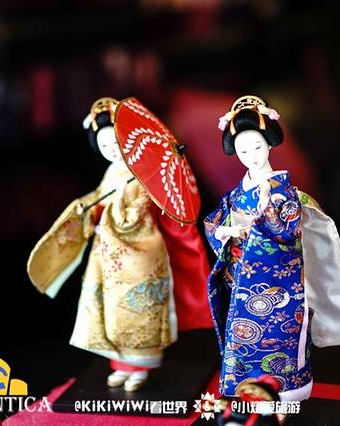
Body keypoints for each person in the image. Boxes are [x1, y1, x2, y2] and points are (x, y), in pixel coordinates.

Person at [28, 97, 212, 391]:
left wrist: (111, 215)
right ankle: (121, 365)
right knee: (112, 311)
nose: (112, 149)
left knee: (138, 311)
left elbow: (136, 215)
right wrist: (90, 210)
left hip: (140, 254)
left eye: (116, 142)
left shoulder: (144, 175)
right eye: (104, 145)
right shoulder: (113, 172)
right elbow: (100, 196)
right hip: (109, 255)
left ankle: (140, 368)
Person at [204, 95, 340, 400]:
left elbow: (286, 230)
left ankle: (288, 393)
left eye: (257, 147)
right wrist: (225, 230)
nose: (251, 156)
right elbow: (215, 221)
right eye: (243, 150)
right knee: (242, 339)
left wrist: (263, 218)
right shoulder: (237, 194)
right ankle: (248, 391)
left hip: (278, 284)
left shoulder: (284, 192)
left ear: (269, 144)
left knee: (282, 337)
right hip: (241, 281)